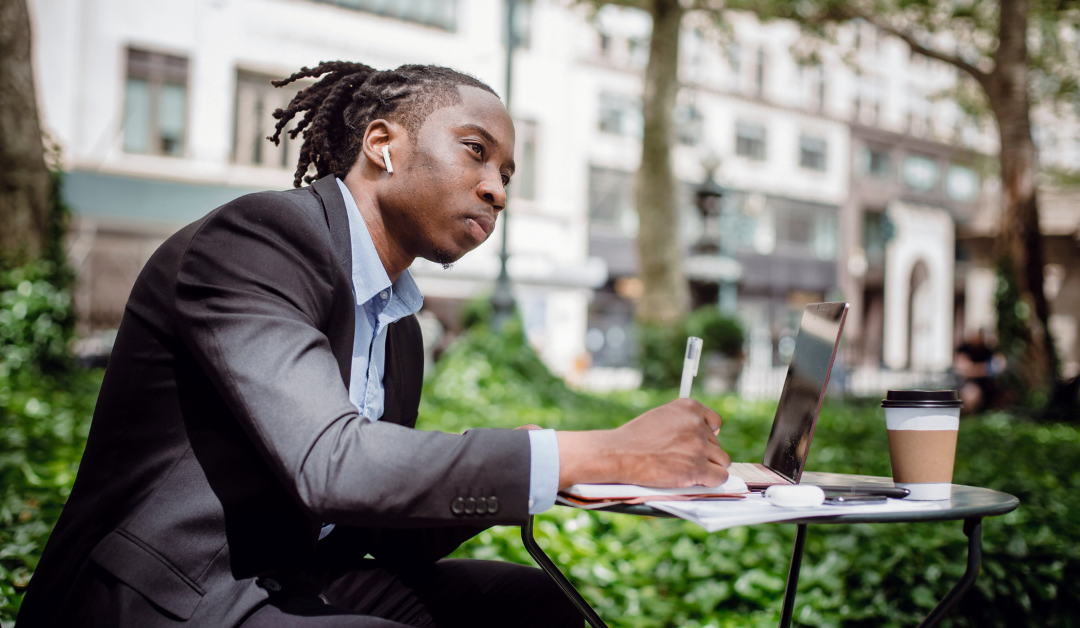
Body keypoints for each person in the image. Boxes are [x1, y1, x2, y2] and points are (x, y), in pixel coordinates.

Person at [17, 62, 731, 627]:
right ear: (383, 145)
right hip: (172, 593)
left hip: (296, 576)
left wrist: (564, 466)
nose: (497, 191)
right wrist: (598, 448)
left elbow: (371, 522)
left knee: (536, 606)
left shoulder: (400, 331)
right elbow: (332, 464)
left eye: (507, 176)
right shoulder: (261, 239)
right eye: (476, 153)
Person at [954, 328, 1005, 413]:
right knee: (970, 394)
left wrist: (975, 368)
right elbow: (963, 369)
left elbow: (1000, 364)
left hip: (988, 384)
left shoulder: (989, 350)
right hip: (968, 383)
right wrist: (985, 369)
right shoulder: (964, 349)